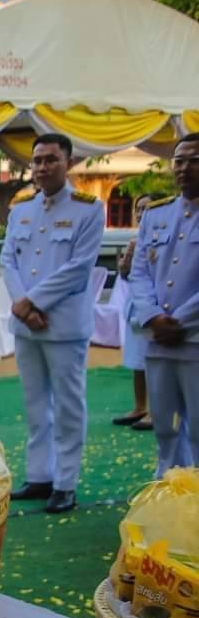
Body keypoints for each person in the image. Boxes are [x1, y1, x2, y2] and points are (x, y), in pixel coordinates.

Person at [2, 133, 105, 514]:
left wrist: (33, 301)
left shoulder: (89, 208)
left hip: (62, 325)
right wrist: (22, 306)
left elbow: (78, 267)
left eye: (51, 160)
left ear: (69, 163)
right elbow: (8, 261)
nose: (42, 167)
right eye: (37, 161)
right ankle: (39, 475)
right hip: (27, 324)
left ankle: (65, 482)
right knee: (34, 404)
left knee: (67, 406)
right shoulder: (21, 210)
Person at [128, 132, 199, 478]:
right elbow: (139, 271)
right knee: (166, 429)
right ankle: (171, 495)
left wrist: (178, 320)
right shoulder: (156, 215)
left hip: (194, 339)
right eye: (179, 161)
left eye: (194, 160)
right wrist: (153, 317)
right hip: (158, 341)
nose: (184, 168)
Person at [113, 194, 154, 430]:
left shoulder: (161, 239)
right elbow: (127, 276)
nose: (140, 214)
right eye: (138, 209)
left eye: (146, 209)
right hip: (135, 309)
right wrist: (125, 264)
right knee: (138, 361)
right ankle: (140, 407)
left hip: (155, 310)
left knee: (153, 363)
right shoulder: (134, 240)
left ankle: (158, 412)